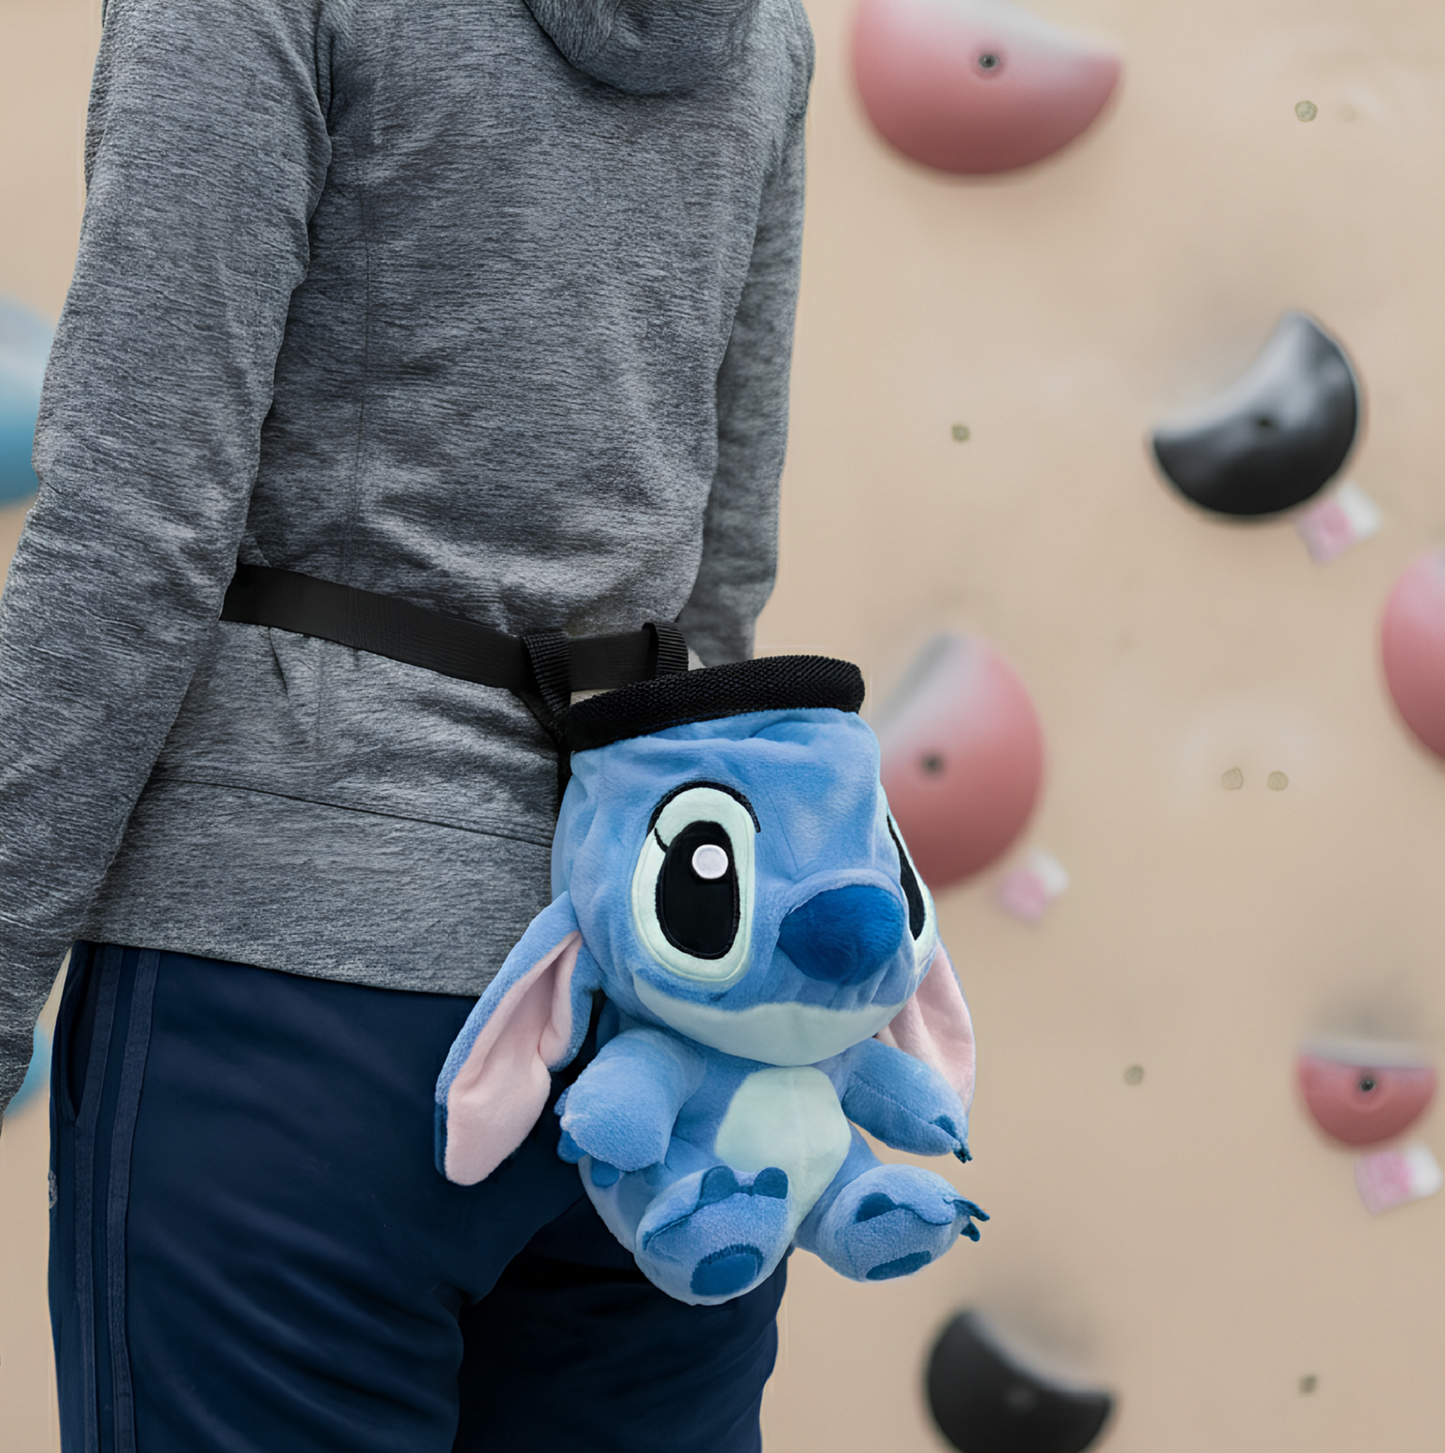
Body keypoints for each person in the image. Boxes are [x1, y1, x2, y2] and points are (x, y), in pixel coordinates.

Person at [0, 1, 814, 1448]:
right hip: (649, 1007)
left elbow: (136, 532)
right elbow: (723, 554)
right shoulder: (760, 28)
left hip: (290, 991)